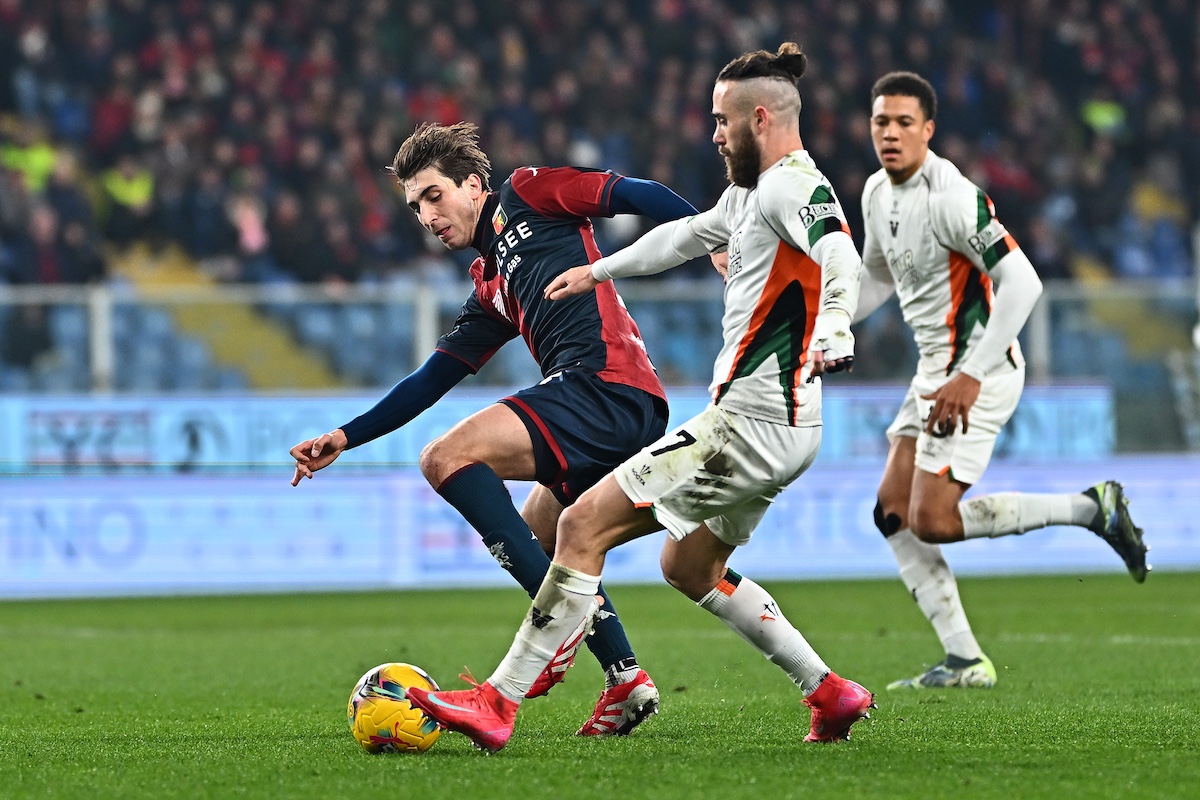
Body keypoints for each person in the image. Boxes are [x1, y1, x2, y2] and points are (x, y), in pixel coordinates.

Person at [404, 43, 875, 753]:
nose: (713, 134)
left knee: (580, 527)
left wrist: (837, 323)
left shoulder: (791, 186)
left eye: (721, 121)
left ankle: (499, 701)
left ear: (760, 118)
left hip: (748, 423)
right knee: (687, 568)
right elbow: (683, 236)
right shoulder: (750, 197)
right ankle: (829, 691)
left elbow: (838, 249)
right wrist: (596, 270)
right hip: (787, 427)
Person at [289, 122, 701, 736]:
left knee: (445, 458)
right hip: (604, 405)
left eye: (434, 196)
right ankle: (624, 679)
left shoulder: (531, 191)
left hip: (606, 388)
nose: (426, 216)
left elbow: (640, 193)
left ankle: (562, 631)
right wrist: (344, 437)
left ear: (475, 186)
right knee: (544, 531)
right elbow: (429, 380)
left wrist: (712, 237)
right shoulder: (490, 285)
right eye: (414, 207)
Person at [854, 71, 1149, 690]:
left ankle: (1090, 510)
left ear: (928, 130)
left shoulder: (954, 195)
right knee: (891, 512)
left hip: (979, 372)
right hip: (933, 372)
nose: (891, 133)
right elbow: (878, 278)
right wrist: (824, 320)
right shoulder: (876, 194)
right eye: (882, 121)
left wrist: (968, 375)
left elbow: (1025, 282)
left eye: (905, 122)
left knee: (931, 520)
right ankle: (964, 659)